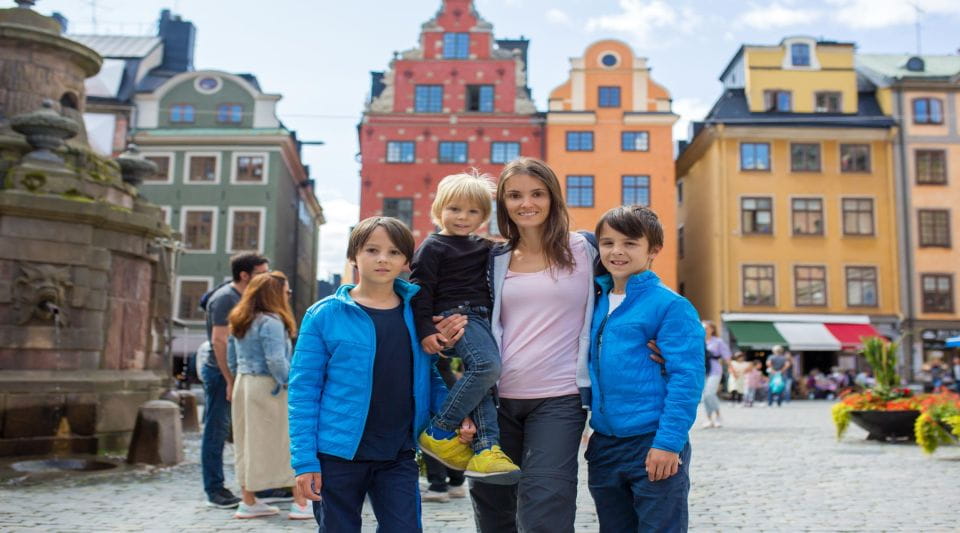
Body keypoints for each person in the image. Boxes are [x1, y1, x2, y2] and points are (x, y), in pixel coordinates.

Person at [288, 217, 472, 531]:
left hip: (398, 453)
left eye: (393, 252)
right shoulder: (323, 315)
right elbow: (303, 391)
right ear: (353, 256)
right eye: (372, 250)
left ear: (405, 262)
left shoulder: (417, 314)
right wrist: (305, 462)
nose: (383, 258)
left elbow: (431, 377)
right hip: (336, 454)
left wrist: (456, 418)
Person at [457, 157, 597, 532]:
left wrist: (656, 342)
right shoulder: (491, 259)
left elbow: (630, 296)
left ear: (553, 197)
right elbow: (469, 327)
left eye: (537, 193)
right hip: (496, 400)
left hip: (560, 398)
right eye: (514, 195)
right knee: (493, 506)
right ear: (502, 203)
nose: (526, 203)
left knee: (545, 505)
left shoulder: (586, 250)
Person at [585, 205, 705, 532]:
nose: (617, 251)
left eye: (630, 243)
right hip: (605, 444)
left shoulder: (671, 306)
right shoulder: (593, 303)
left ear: (653, 250)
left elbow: (687, 380)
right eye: (608, 243)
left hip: (652, 440)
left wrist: (668, 443)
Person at [411, 172, 520, 484]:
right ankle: (440, 429)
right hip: (456, 316)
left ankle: (487, 449)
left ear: (484, 216)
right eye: (455, 209)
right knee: (487, 366)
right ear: (439, 209)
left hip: (483, 319)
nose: (463, 217)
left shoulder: (485, 246)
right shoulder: (433, 246)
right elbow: (422, 291)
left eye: (473, 211)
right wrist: (425, 332)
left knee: (484, 383)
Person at [226, 271, 311, 520]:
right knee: (286, 442)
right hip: (268, 386)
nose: (288, 294)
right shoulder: (271, 322)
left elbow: (232, 358)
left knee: (246, 442)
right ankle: (300, 503)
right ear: (275, 293)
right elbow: (276, 360)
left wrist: (237, 381)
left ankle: (248, 501)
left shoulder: (240, 318)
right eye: (286, 291)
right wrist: (291, 384)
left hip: (245, 383)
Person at [200, 252, 269, 509]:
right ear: (245, 275)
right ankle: (215, 489)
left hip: (236, 374)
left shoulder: (242, 297)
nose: (266, 279)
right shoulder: (226, 298)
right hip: (220, 374)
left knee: (242, 430)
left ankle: (261, 484)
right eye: (262, 273)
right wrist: (229, 380)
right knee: (215, 431)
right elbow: (219, 341)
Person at [422, 357, 466, 503]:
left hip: (434, 385)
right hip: (448, 384)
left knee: (431, 434)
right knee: (450, 434)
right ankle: (456, 482)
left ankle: (438, 485)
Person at [702, 320, 731, 427]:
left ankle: (718, 415)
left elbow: (727, 357)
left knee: (710, 393)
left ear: (712, 329)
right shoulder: (699, 341)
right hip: (702, 371)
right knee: (705, 396)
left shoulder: (718, 342)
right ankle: (708, 419)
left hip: (715, 370)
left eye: (706, 328)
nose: (704, 330)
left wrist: (732, 369)